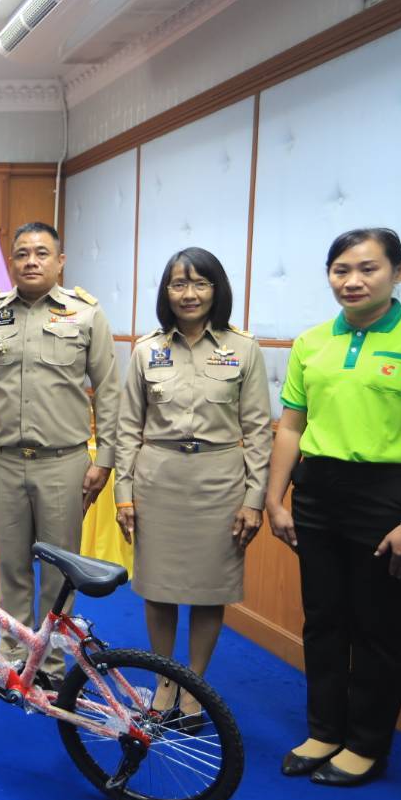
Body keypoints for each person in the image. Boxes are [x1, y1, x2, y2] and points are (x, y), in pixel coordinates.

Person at [267, 227, 401, 787]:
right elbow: (291, 427)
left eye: (368, 268)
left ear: (398, 272)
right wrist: (274, 498)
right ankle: (324, 730)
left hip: (388, 496)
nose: (352, 281)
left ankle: (367, 744)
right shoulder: (311, 343)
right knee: (323, 619)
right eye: (341, 270)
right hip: (317, 490)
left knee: (379, 626)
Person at [114, 249, 271, 728]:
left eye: (200, 283)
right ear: (166, 292)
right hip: (158, 480)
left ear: (216, 289)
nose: (189, 294)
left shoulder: (243, 348)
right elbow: (127, 428)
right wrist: (123, 494)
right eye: (178, 284)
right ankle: (164, 681)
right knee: (158, 589)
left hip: (219, 483)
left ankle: (194, 685)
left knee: (208, 590)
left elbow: (259, 430)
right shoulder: (147, 350)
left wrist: (254, 499)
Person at [0, 221, 122, 689]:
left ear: (60, 261)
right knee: (10, 566)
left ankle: (50, 668)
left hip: (62, 463)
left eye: (41, 253)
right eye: (22, 254)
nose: (31, 261)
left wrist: (105, 459)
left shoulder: (86, 314)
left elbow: (109, 390)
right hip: (3, 460)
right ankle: (14, 663)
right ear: (12, 262)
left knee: (58, 572)